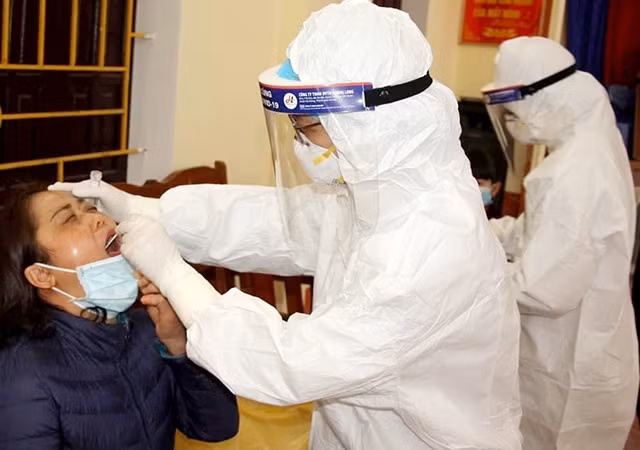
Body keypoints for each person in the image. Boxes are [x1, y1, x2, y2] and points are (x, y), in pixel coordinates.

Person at [53, 2, 522, 448]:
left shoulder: (428, 247)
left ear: (369, 123)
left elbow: (288, 363)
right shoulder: (381, 186)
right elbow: (278, 223)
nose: (301, 144)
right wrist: (145, 208)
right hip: (357, 427)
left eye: (309, 126)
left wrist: (174, 274)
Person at [0, 185, 238, 450]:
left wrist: (178, 345)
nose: (97, 219)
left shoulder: (145, 328)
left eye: (91, 208)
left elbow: (217, 427)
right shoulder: (17, 376)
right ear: (42, 275)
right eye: (69, 218)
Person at [483, 36, 639, 449]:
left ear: (545, 99)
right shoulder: (586, 150)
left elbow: (542, 288)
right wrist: (488, 234)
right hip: (576, 351)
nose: (513, 124)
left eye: (514, 112)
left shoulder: (576, 172)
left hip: (570, 366)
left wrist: (471, 268)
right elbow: (546, 232)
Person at [466, 145, 504, 218]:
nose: (472, 188)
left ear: (495, 188)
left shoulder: (497, 225)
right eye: (468, 184)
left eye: (479, 183)